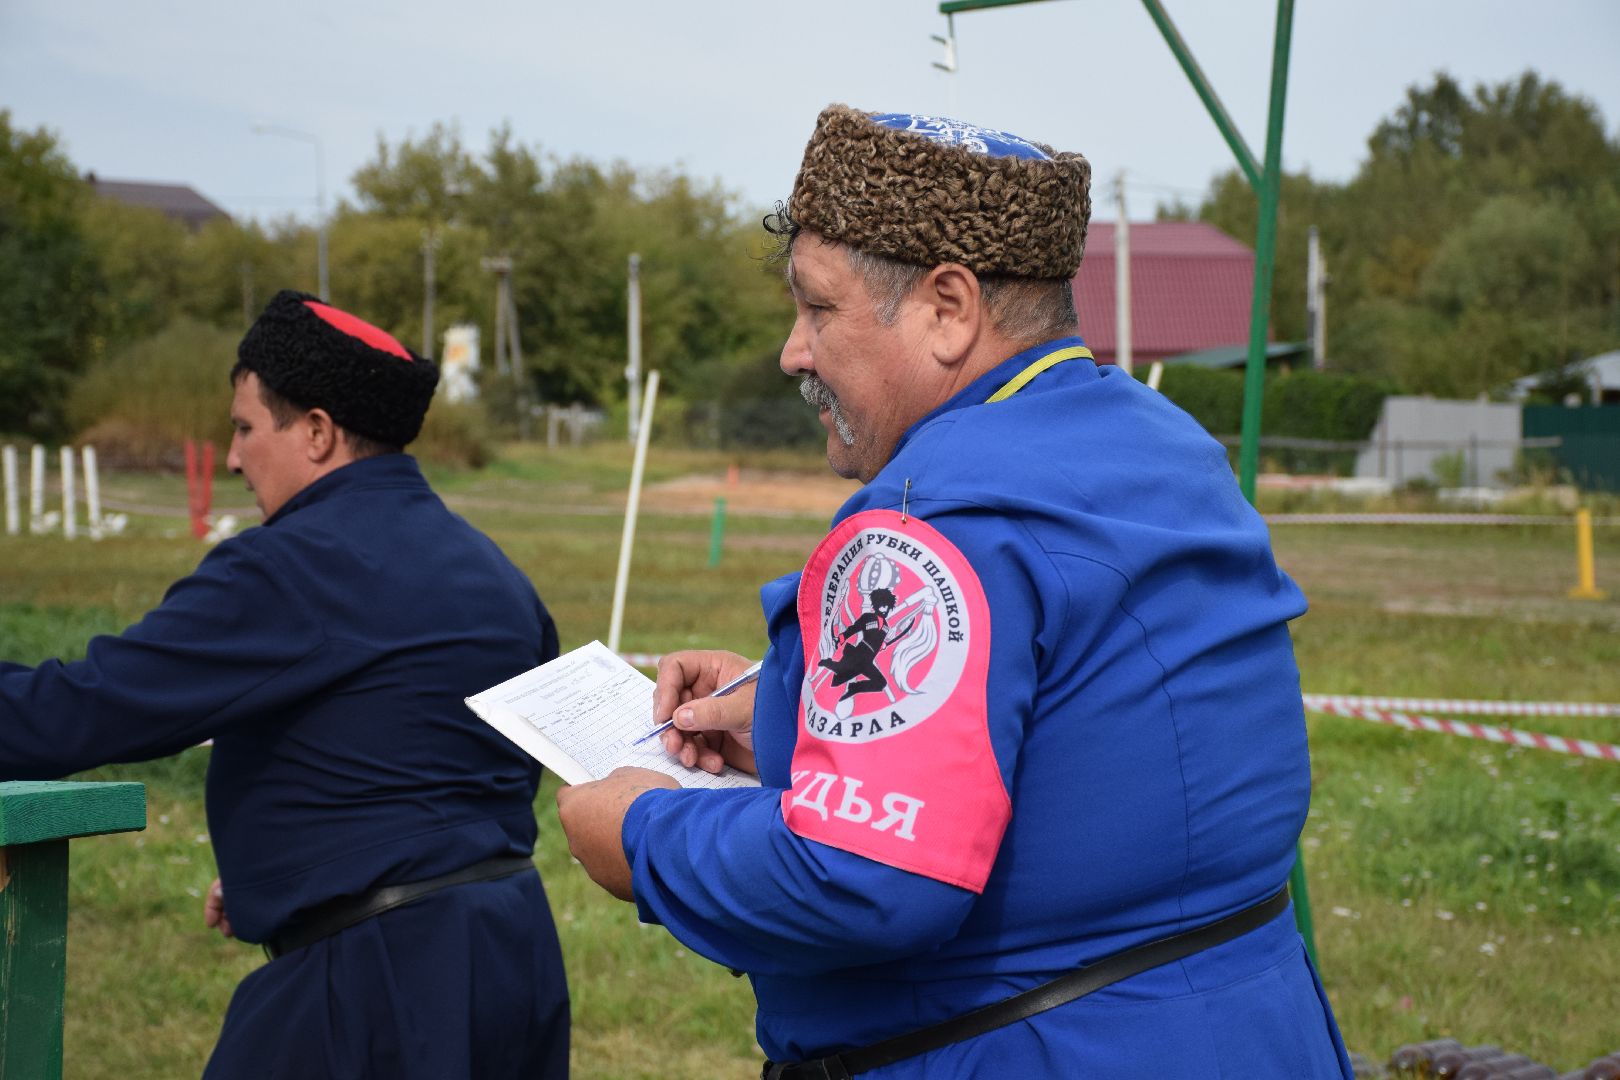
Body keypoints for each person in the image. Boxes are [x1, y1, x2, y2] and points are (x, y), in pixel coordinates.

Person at [556, 106, 1353, 1078]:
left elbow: (862, 876)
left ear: (948, 308)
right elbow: (1090, 739)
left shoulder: (931, 513)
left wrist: (644, 833)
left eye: (818, 309)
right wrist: (789, 713)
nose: (794, 351)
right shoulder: (1164, 442)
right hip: (1249, 1029)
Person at [0, 290, 569, 1078]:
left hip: (375, 981)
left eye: (244, 428)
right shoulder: (494, 572)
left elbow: (86, 709)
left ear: (317, 432)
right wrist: (299, 865)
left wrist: (340, 883)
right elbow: (455, 762)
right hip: (513, 957)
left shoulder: (289, 565)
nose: (233, 458)